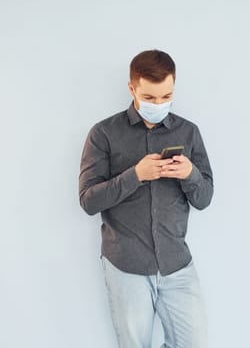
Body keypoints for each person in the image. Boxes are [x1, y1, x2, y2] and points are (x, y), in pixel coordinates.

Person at [79, 49, 213, 348]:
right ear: (132, 89)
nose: (159, 104)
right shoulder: (103, 134)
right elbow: (88, 201)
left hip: (177, 265)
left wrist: (190, 173)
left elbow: (204, 199)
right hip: (126, 265)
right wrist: (136, 175)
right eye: (150, 98)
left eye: (166, 96)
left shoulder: (189, 133)